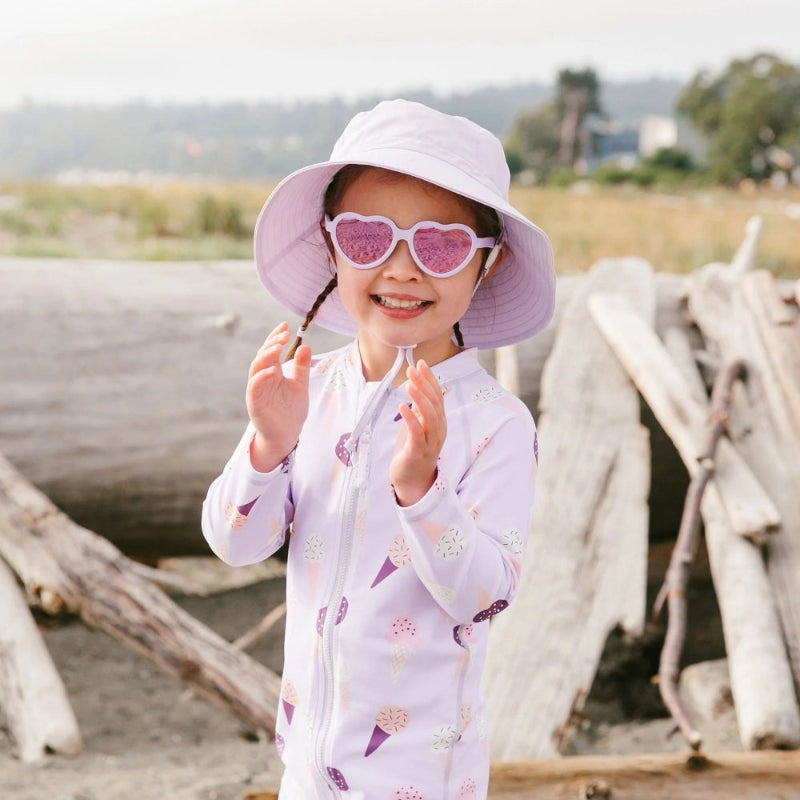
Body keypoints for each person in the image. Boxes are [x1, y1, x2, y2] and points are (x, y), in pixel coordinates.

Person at [202, 98, 555, 800]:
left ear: (487, 263)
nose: (401, 269)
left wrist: (424, 492)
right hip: (304, 771)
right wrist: (269, 444)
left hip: (423, 779)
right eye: (368, 237)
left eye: (441, 244)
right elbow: (234, 544)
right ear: (331, 244)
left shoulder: (493, 424)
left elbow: (483, 594)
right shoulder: (307, 390)